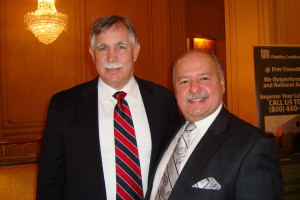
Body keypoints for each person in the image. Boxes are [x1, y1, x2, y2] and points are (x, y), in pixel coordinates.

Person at [36, 15, 180, 200]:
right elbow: (50, 180)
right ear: (92, 53)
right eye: (102, 48)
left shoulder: (163, 100)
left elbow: (174, 167)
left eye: (121, 46)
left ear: (135, 51)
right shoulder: (64, 105)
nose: (112, 57)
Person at [147, 49, 283, 200]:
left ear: (222, 83)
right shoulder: (166, 133)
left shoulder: (253, 147)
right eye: (184, 81)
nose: (194, 88)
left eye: (204, 78)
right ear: (175, 89)